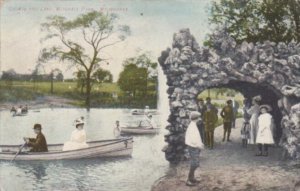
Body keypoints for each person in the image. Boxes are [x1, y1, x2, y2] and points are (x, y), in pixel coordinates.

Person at [185, 111, 204, 186]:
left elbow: (196, 137)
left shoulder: (193, 125)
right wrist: (198, 145)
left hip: (194, 147)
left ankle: (192, 178)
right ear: (196, 118)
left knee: (195, 163)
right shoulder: (192, 126)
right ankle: (189, 179)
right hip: (193, 147)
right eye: (199, 117)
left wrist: (200, 143)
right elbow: (193, 140)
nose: (200, 119)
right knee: (194, 163)